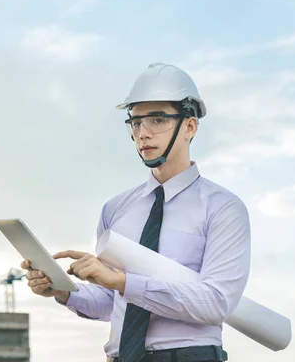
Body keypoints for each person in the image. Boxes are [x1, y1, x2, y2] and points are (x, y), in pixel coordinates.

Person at [21, 63, 251, 362]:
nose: (143, 133)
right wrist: (63, 291)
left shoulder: (223, 207)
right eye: (136, 122)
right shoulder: (115, 209)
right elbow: (111, 303)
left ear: (190, 127)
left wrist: (122, 281)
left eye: (157, 120)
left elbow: (216, 302)